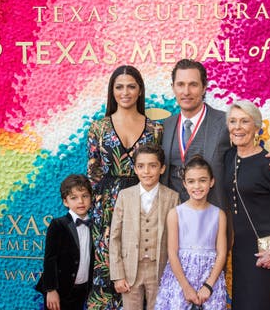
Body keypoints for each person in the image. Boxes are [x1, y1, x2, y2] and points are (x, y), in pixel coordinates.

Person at [161, 59, 270, 208]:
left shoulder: (226, 122)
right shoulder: (165, 126)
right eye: (180, 84)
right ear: (173, 87)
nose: (186, 91)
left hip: (215, 218)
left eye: (193, 85)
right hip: (174, 218)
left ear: (204, 88)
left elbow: (250, 153)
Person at [87, 65, 163, 309]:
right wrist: (97, 214)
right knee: (108, 270)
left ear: (140, 90)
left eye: (131, 86)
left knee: (139, 271)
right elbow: (93, 173)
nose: (125, 92)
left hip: (144, 205)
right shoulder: (98, 128)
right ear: (112, 91)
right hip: (106, 208)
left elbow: (160, 170)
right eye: (119, 87)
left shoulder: (155, 129)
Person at [222, 100, 270, 310]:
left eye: (244, 121)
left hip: (267, 254)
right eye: (233, 121)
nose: (238, 127)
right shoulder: (228, 157)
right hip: (240, 254)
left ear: (257, 127)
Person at [108, 144, 180, 310]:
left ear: (162, 169)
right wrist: (118, 275)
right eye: (141, 166)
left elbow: (177, 238)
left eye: (152, 166)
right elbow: (115, 237)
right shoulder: (125, 196)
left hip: (160, 271)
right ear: (135, 169)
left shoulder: (172, 198)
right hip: (130, 270)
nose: (146, 171)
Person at [155, 155, 228, 310]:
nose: (197, 186)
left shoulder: (219, 215)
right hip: (180, 280)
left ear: (211, 182)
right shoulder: (175, 214)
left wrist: (208, 286)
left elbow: (221, 254)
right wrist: (186, 287)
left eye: (203, 180)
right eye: (191, 181)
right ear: (184, 184)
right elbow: (172, 253)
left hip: (210, 279)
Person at [36, 174, 94, 310]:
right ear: (65, 202)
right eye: (74, 198)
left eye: (85, 196)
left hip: (83, 291)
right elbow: (50, 259)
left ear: (91, 198)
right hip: (60, 290)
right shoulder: (58, 225)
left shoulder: (95, 225)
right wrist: (51, 290)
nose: (80, 201)